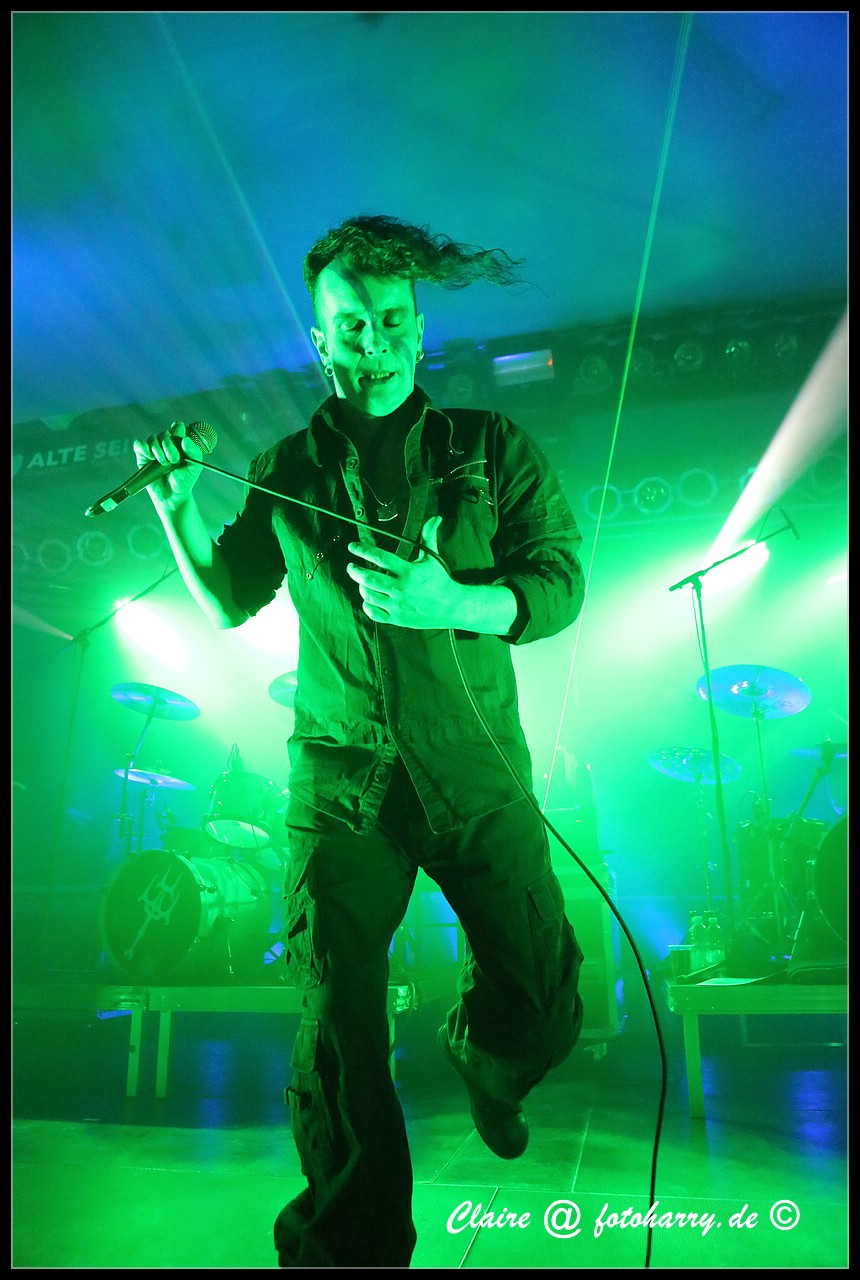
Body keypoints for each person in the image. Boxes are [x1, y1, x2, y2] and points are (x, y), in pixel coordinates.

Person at [133, 214, 586, 1269]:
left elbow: (559, 583)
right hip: (341, 779)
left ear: (418, 328)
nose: (373, 341)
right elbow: (226, 598)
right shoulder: (286, 467)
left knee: (540, 991)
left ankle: (488, 1053)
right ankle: (349, 1247)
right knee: (339, 1022)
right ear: (320, 337)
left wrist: (452, 600)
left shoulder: (490, 447)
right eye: (352, 324)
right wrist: (175, 505)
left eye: (391, 320)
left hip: (473, 767)